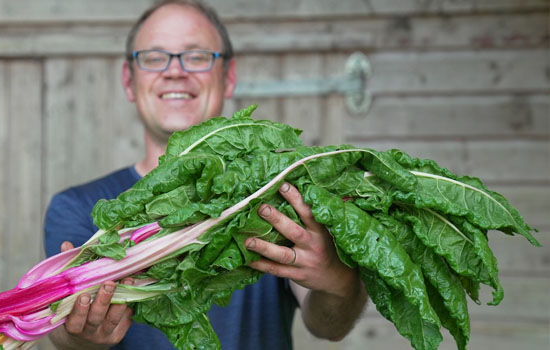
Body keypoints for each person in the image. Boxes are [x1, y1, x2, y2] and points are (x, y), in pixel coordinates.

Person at [43, 1, 368, 349]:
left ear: (228, 77)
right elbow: (64, 334)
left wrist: (337, 281)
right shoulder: (77, 208)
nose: (175, 71)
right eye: (154, 57)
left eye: (196, 56)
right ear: (129, 79)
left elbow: (330, 326)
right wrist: (79, 333)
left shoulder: (279, 193)